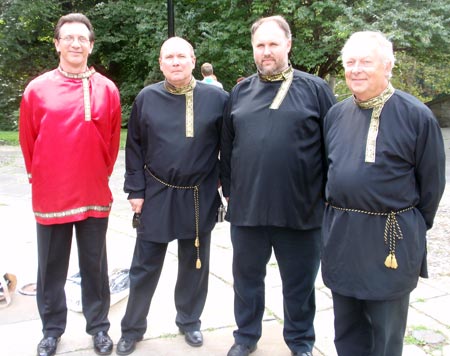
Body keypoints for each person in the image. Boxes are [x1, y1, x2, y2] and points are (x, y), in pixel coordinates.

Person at [321, 31, 446, 356]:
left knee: (385, 336)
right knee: (346, 330)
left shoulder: (417, 116)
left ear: (387, 66)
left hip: (390, 240)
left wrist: (410, 227)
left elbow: (431, 187)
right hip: (342, 237)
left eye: (366, 62)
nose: (356, 69)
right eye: (350, 62)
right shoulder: (335, 114)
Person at [220, 15, 336, 356]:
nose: (266, 51)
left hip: (300, 211)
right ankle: (246, 336)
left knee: (299, 286)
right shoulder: (240, 92)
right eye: (260, 45)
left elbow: (334, 148)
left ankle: (300, 341)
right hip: (248, 211)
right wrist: (231, 193)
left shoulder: (315, 89)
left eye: (273, 44)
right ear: (253, 49)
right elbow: (227, 148)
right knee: (246, 283)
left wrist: (325, 199)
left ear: (288, 45)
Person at [116, 37, 228, 355]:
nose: (176, 62)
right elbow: (134, 147)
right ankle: (132, 328)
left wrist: (225, 186)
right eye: (169, 57)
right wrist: (135, 190)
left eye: (182, 56)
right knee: (144, 265)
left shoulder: (216, 98)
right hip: (156, 192)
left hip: (198, 193)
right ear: (161, 62)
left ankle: (189, 320)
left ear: (194, 60)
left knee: (195, 263)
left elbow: (230, 146)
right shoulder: (146, 98)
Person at [19, 13, 121, 356]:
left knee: (95, 265)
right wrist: (44, 176)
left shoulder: (107, 89)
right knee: (50, 266)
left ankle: (99, 328)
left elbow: (111, 143)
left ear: (91, 45)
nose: (76, 44)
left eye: (82, 38)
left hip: (93, 189)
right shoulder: (37, 89)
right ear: (57, 44)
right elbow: (28, 141)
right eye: (69, 38)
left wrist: (96, 173)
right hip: (51, 193)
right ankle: (51, 329)